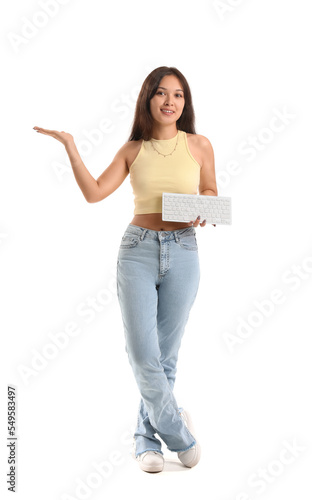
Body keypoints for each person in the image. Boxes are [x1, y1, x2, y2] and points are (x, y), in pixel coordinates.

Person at [33, 65, 218, 474]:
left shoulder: (200, 144)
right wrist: (70, 147)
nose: (170, 101)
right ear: (148, 98)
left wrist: (203, 206)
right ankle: (180, 436)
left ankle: (145, 440)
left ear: (185, 103)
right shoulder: (133, 149)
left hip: (185, 250)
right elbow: (94, 193)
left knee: (164, 357)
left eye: (178, 95)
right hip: (137, 250)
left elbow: (209, 191)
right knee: (142, 353)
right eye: (162, 93)